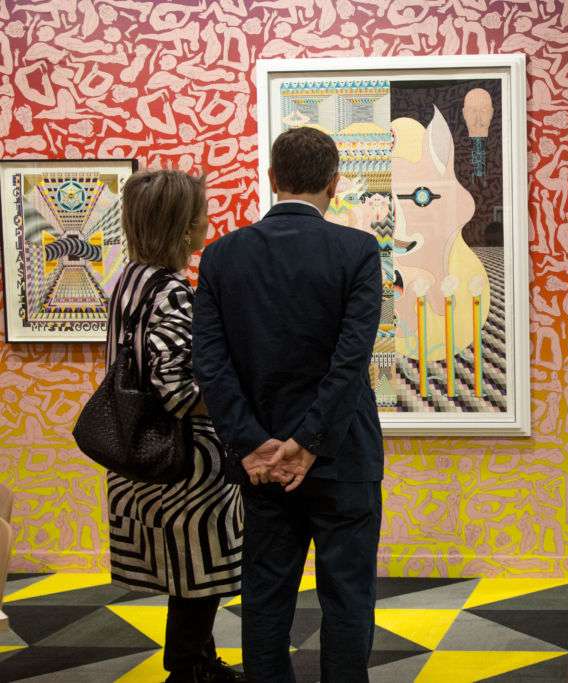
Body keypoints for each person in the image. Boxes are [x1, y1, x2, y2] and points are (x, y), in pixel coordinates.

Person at [194, 127, 384, 683]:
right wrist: (309, 443)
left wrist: (255, 443)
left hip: (261, 465)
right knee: (348, 598)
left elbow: (211, 364)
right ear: (334, 181)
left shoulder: (222, 256)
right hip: (343, 456)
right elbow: (349, 363)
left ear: (273, 178)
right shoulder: (357, 251)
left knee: (266, 597)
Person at [105, 170, 244, 683]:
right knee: (196, 575)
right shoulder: (171, 292)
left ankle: (195, 660)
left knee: (181, 571)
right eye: (201, 213)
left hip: (138, 452)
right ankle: (188, 668)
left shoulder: (126, 281)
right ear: (183, 227)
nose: (208, 220)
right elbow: (180, 391)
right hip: (185, 464)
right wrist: (237, 400)